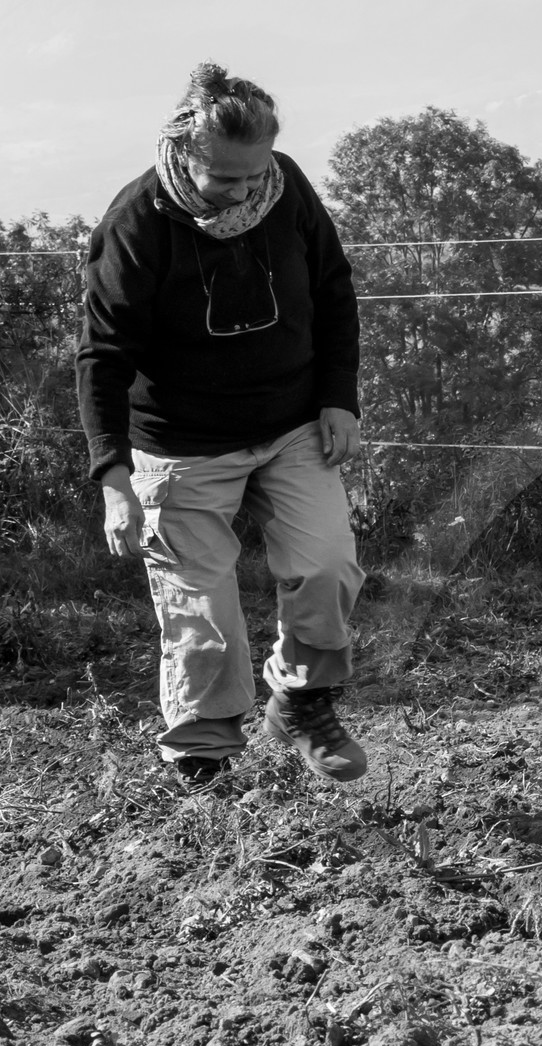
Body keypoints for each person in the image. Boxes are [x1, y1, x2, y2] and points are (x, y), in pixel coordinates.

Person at [78, 62, 368, 789]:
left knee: (326, 564)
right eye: (225, 180)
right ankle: (204, 751)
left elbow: (333, 290)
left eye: (254, 174)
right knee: (203, 609)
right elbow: (103, 357)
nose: (243, 192)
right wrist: (114, 478)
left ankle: (302, 702)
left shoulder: (287, 187)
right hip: (180, 445)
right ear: (183, 155)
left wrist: (339, 397)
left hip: (295, 421)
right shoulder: (136, 224)